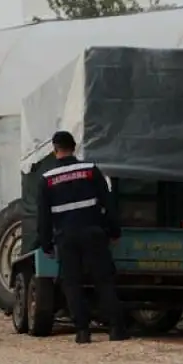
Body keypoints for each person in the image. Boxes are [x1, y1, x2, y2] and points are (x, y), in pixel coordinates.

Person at [37, 130, 127, 344]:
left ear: (54, 150)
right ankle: (115, 329)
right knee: (103, 280)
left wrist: (46, 244)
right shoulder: (90, 171)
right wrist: (114, 231)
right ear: (74, 147)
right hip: (93, 233)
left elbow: (43, 217)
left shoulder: (47, 180)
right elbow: (109, 204)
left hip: (66, 237)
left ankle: (82, 332)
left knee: (72, 283)